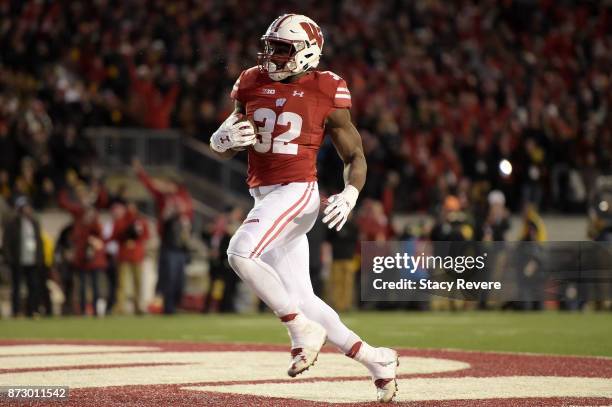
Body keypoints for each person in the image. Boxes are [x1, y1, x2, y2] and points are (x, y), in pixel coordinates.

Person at [209, 14, 397, 402]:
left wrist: (351, 193)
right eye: (270, 47)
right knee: (305, 298)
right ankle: (377, 361)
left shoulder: (327, 87)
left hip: (296, 191)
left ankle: (298, 329)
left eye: (282, 49)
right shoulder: (250, 80)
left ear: (307, 53)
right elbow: (231, 135)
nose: (272, 56)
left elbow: (355, 154)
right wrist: (220, 139)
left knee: (239, 252)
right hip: (265, 194)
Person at [2, 197, 45, 317]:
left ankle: (32, 311)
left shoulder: (34, 222)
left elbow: (39, 242)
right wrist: (9, 259)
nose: (28, 209)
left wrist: (39, 258)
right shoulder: (12, 223)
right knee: (17, 288)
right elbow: (6, 243)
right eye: (25, 207)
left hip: (32, 261)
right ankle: (16, 312)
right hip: (18, 261)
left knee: (33, 287)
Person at [108, 202, 150, 314]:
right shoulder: (121, 221)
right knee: (122, 283)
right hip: (124, 256)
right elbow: (115, 236)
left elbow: (146, 236)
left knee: (137, 282)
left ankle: (138, 306)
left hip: (136, 255)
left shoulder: (140, 221)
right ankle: (120, 306)